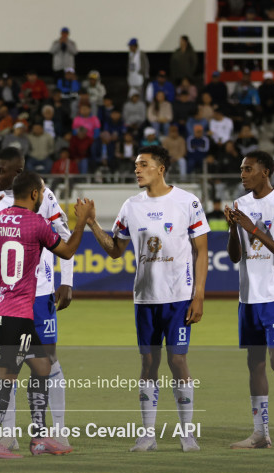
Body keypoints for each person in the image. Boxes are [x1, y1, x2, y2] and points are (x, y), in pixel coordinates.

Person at [86, 145, 210, 452]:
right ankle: (148, 435)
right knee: (149, 362)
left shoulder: (187, 202)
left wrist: (199, 295)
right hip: (145, 298)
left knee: (177, 360)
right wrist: (90, 223)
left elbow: (202, 251)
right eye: (136, 165)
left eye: (143, 164)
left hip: (179, 297)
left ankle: (187, 434)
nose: (137, 170)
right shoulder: (132, 206)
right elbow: (116, 250)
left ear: (161, 168)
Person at [0, 171, 88, 458]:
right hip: (17, 313)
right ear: (34, 194)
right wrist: (82, 221)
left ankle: (39, 438)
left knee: (42, 367)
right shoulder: (36, 224)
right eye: (42, 192)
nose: (44, 196)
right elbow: (67, 251)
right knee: (6, 375)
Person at [225, 150, 274, 451]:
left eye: (248, 169)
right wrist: (233, 228)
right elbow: (235, 256)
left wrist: (252, 228)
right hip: (249, 297)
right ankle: (260, 433)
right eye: (241, 170)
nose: (243, 174)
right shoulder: (240, 205)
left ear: (265, 172)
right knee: (255, 362)